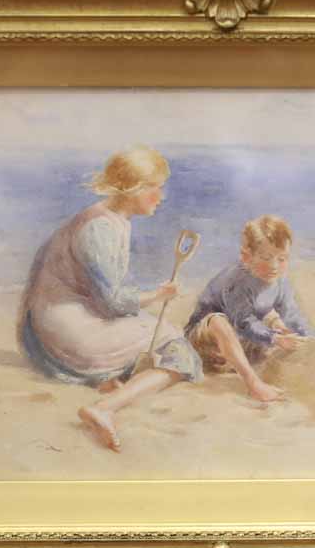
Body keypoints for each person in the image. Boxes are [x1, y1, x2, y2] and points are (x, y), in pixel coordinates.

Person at [18, 146, 202, 451]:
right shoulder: (100, 229)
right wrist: (158, 295)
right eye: (155, 188)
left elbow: (104, 293)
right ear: (133, 189)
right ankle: (105, 408)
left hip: (54, 322)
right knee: (179, 350)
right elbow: (112, 303)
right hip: (65, 332)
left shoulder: (109, 219)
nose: (161, 197)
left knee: (155, 331)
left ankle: (108, 381)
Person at [185, 215, 313, 402]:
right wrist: (275, 338)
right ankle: (253, 384)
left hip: (242, 344)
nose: (274, 266)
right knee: (218, 321)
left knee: (278, 323)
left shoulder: (280, 282)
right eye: (266, 258)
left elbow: (291, 315)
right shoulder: (237, 280)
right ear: (246, 257)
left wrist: (308, 339)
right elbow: (244, 322)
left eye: (282, 258)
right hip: (207, 346)